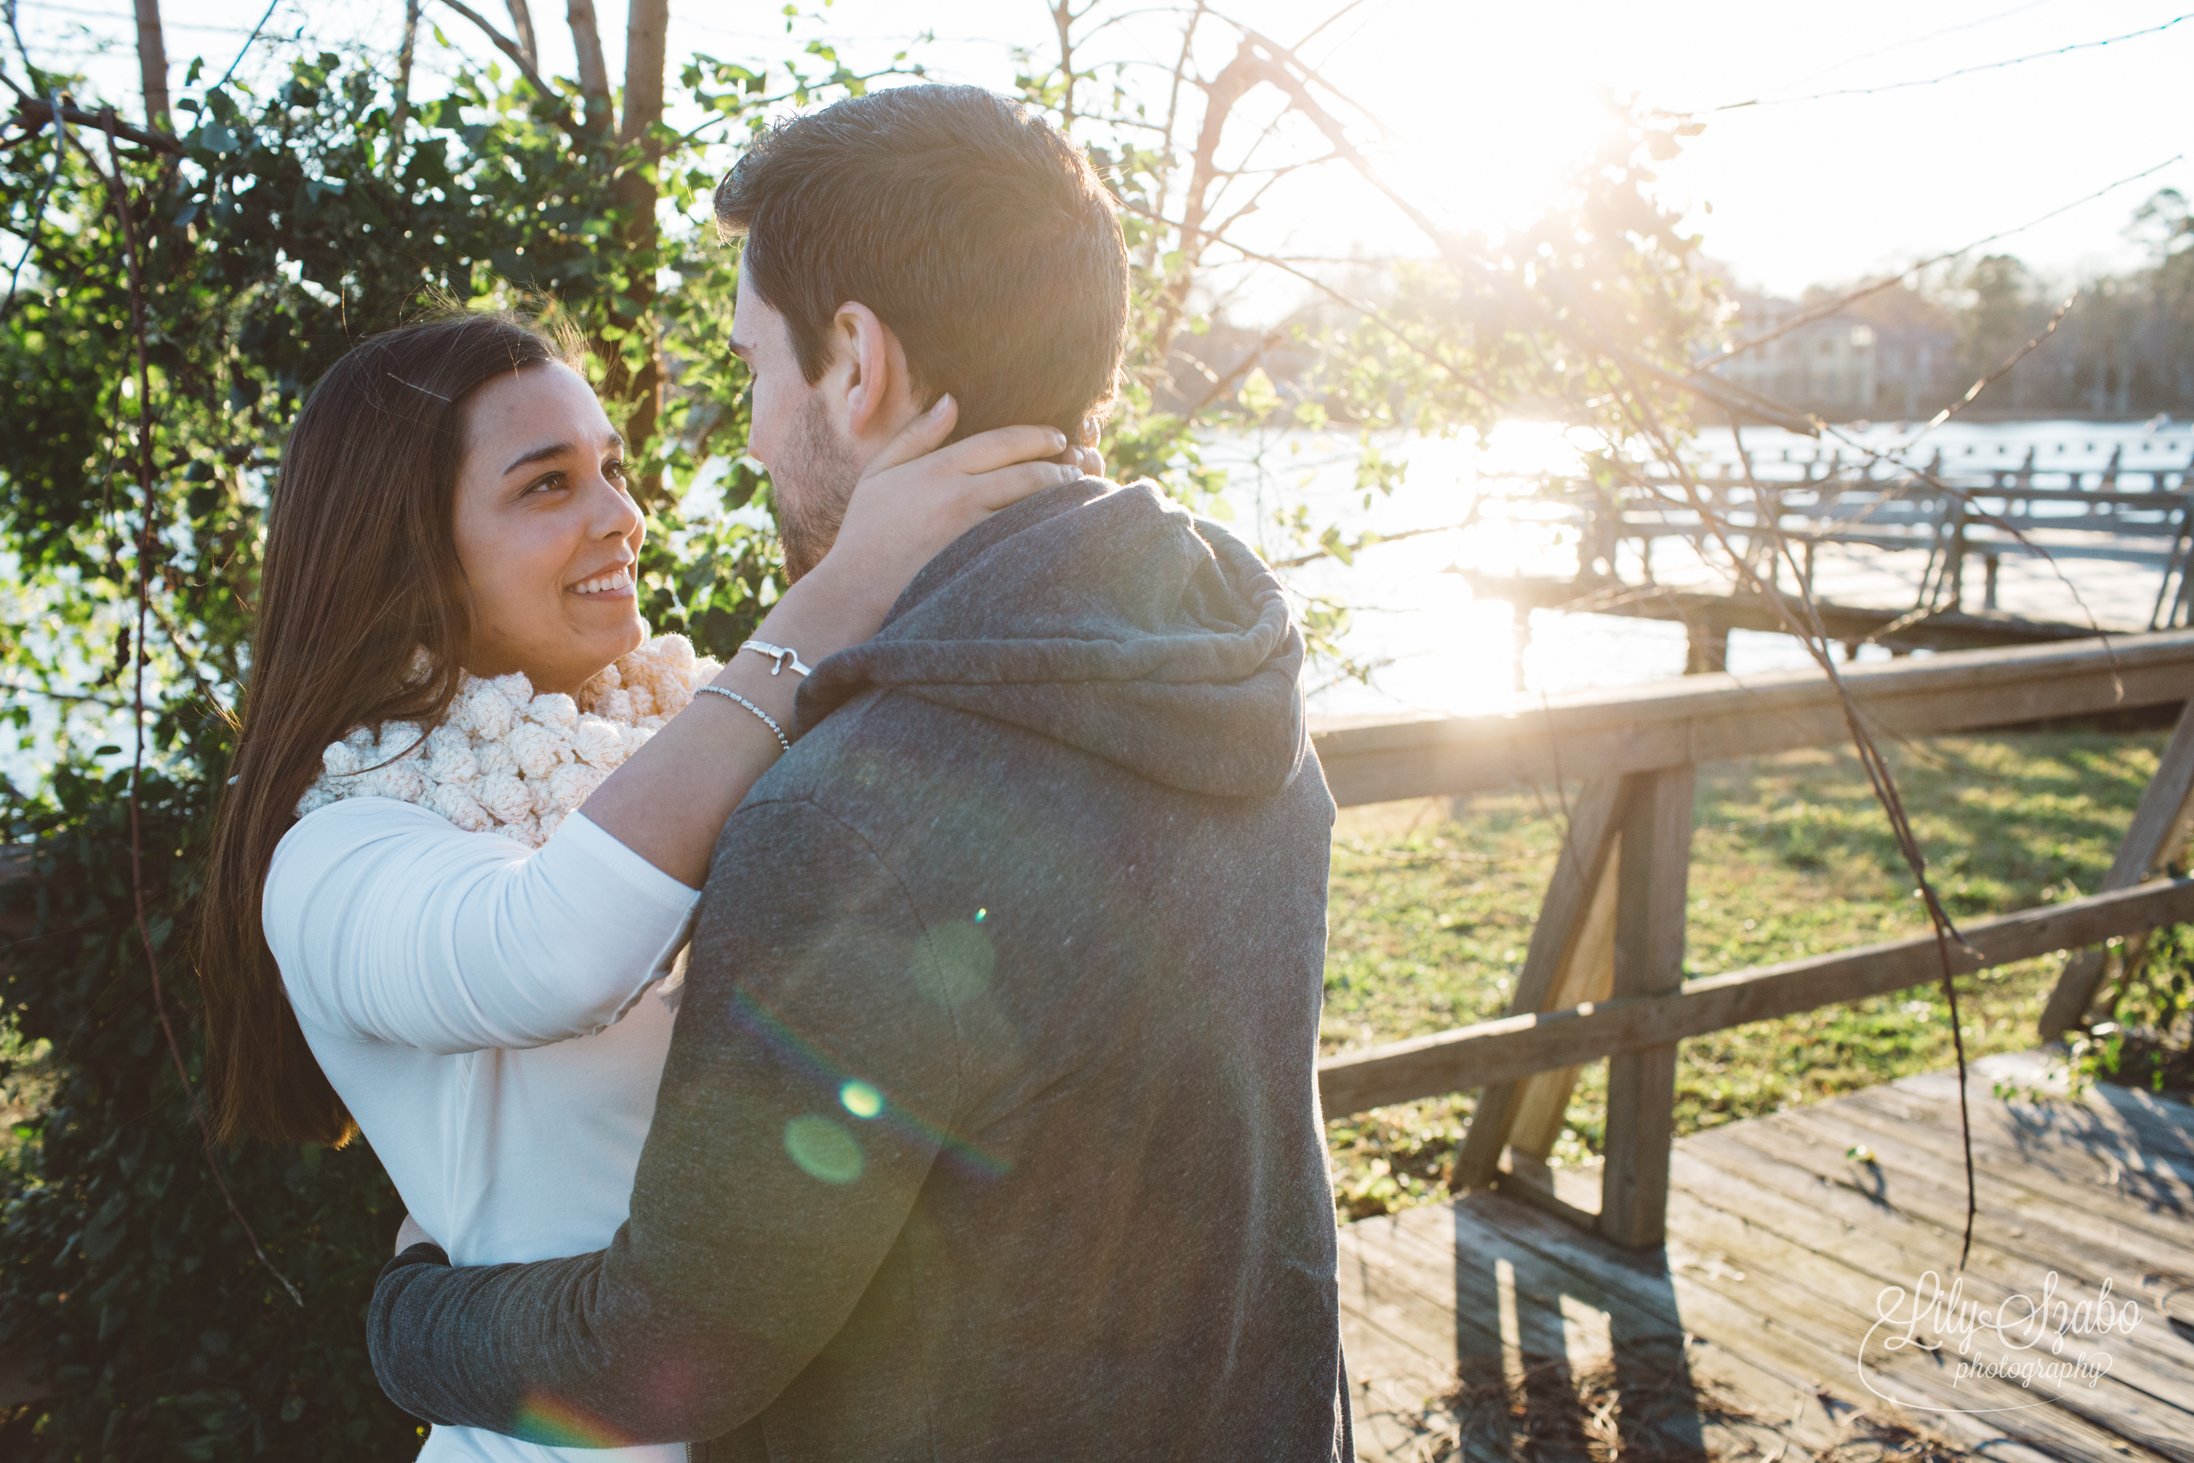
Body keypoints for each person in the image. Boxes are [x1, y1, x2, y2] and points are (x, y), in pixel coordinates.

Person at [367, 85, 1351, 1462]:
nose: (758, 436)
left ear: (854, 360)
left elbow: (668, 1352)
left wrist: (410, 1317)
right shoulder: (1220, 656)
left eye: (754, 369)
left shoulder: (858, 808)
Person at [195, 308, 1093, 1463]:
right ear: (405, 548)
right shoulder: (336, 855)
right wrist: (841, 588)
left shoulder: (688, 736)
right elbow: (556, 951)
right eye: (546, 484)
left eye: (611, 469)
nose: (621, 514)